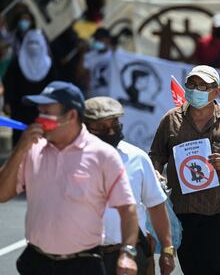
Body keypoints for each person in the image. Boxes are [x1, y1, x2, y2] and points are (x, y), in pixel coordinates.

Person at [0, 81, 138, 275]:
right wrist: (20, 148)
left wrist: (127, 254)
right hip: (36, 263)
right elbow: (1, 194)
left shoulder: (103, 155)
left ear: (71, 116)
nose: (39, 119)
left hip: (82, 265)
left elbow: (128, 209)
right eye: (39, 111)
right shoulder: (33, 149)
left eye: (47, 112)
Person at [149, 65, 220, 275]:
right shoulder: (171, 119)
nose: (196, 89)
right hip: (182, 209)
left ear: (216, 91)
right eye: (192, 84)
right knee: (190, 267)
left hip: (219, 209)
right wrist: (155, 174)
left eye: (202, 86)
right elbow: (156, 155)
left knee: (214, 267)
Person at [84, 96, 175, 275]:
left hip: (129, 255)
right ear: (85, 128)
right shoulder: (70, 161)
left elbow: (156, 206)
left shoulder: (137, 158)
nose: (111, 132)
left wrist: (167, 250)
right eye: (103, 127)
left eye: (115, 125)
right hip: (83, 258)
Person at [3, 29, 57, 146]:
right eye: (30, 43)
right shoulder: (17, 63)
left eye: (36, 43)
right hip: (19, 107)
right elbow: (9, 83)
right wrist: (7, 102)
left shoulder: (49, 65)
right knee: (19, 138)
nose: (33, 47)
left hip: (41, 109)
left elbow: (54, 87)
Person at [84, 27, 113, 97]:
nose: (97, 41)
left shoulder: (115, 56)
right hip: (94, 96)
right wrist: (82, 52)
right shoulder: (90, 55)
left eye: (99, 39)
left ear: (108, 40)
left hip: (111, 97)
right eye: (96, 39)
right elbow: (82, 75)